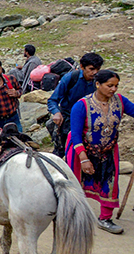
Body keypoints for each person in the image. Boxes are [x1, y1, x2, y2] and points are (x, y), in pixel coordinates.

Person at [66, 70, 134, 234]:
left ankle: (105, 218)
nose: (114, 90)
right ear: (98, 84)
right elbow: (75, 133)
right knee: (75, 184)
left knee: (109, 183)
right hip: (81, 150)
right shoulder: (82, 105)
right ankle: (72, 216)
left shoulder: (120, 101)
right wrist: (83, 158)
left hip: (108, 150)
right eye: (110, 86)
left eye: (116, 86)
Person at [48, 52, 103, 157]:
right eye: (91, 69)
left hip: (90, 121)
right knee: (63, 151)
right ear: (82, 66)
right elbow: (53, 100)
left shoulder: (99, 81)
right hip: (68, 120)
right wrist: (56, 112)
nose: (95, 72)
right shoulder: (71, 78)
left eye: (97, 69)